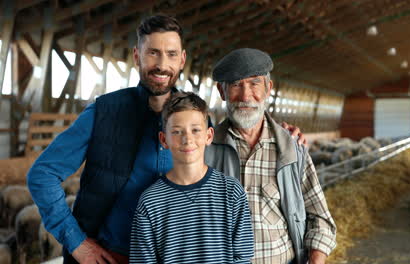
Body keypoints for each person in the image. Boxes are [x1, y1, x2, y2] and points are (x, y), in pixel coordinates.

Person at [27, 14, 304, 264]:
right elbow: (42, 174)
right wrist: (76, 242)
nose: (162, 65)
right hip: (109, 254)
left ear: (182, 60)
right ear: (137, 56)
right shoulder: (103, 112)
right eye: (153, 53)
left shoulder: (198, 120)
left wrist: (280, 133)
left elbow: (238, 134)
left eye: (171, 55)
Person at [205, 48, 337, 264]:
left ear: (268, 89)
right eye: (236, 85)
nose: (246, 96)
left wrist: (315, 260)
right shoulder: (205, 150)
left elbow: (320, 218)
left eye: (254, 83)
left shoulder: (292, 150)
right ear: (222, 91)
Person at [129, 92, 254, 263]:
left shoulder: (231, 192)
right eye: (177, 131)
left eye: (195, 130)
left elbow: (243, 257)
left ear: (208, 136)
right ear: (164, 140)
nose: (187, 139)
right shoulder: (150, 202)